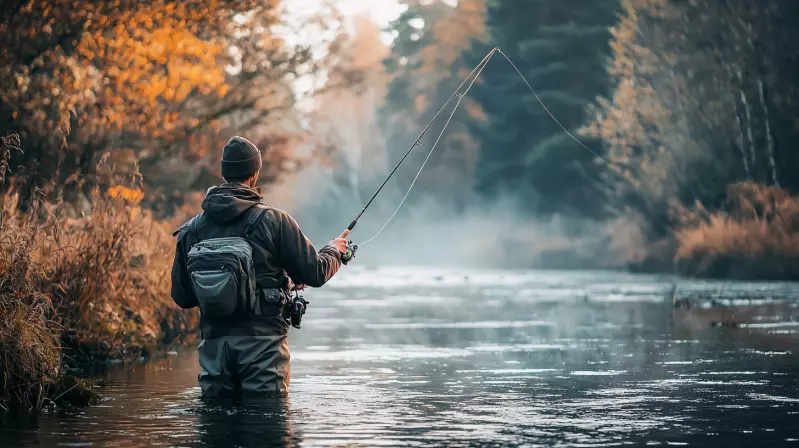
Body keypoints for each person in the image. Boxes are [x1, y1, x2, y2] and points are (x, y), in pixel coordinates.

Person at [170, 136, 349, 397]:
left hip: (214, 348)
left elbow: (182, 297)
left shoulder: (191, 229)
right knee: (266, 429)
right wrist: (335, 250)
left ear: (223, 172)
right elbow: (316, 272)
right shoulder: (275, 221)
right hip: (264, 349)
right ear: (255, 173)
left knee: (217, 431)